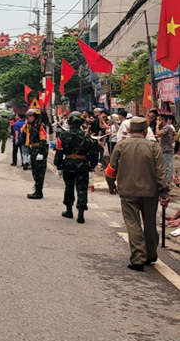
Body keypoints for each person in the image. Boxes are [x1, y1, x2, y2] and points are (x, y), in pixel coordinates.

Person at [106, 116, 171, 271]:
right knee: (149, 224)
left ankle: (138, 258)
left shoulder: (121, 146)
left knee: (133, 224)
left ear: (129, 130)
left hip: (128, 192)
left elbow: (110, 170)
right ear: (145, 131)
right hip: (150, 192)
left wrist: (111, 185)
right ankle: (150, 254)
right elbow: (160, 172)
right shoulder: (153, 146)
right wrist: (164, 192)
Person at [53, 112, 100, 223]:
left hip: (68, 163)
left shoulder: (63, 136)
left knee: (69, 187)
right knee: (82, 188)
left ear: (69, 122)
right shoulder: (86, 136)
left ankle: (69, 210)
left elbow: (59, 152)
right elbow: (93, 153)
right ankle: (81, 213)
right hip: (82, 164)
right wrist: (93, 165)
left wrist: (58, 165)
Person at [21, 108, 49, 198]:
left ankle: (38, 192)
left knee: (39, 172)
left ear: (34, 117)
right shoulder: (32, 125)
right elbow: (24, 131)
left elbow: (43, 139)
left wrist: (41, 152)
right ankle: (37, 190)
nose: (28, 118)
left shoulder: (40, 125)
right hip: (33, 149)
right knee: (35, 171)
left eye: (30, 116)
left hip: (39, 149)